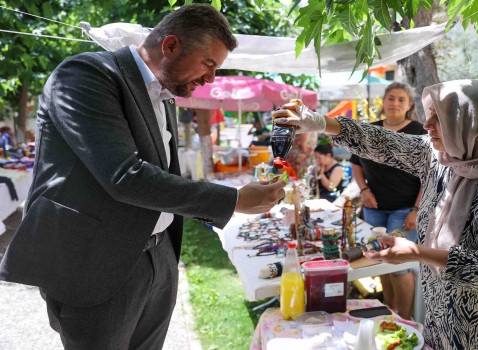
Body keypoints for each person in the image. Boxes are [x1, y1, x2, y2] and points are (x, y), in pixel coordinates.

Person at [0, 5, 285, 350]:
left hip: (158, 257)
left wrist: (164, 259)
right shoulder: (84, 75)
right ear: (170, 46)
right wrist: (233, 200)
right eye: (209, 64)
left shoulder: (164, 93)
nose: (211, 78)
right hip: (96, 264)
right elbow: (125, 176)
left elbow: (161, 175)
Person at [275, 79, 478, 349]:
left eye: (441, 118)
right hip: (446, 321)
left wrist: (416, 252)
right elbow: (383, 142)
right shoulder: (444, 158)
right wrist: (320, 122)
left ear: (475, 124)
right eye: (429, 115)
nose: (427, 125)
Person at [350, 82, 425, 320]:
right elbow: (355, 164)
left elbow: (429, 174)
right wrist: (364, 190)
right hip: (374, 209)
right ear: (383, 101)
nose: (395, 103)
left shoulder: (419, 132)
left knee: (400, 266)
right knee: (378, 261)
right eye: (391, 98)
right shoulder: (370, 130)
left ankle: (405, 320)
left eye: (401, 99)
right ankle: (388, 313)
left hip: (405, 211)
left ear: (409, 105)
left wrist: (416, 209)